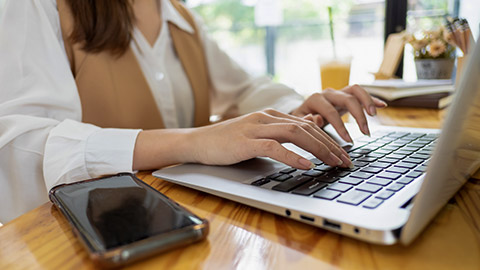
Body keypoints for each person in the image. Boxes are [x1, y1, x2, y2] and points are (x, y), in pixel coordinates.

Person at [0, 0, 386, 223]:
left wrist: (293, 114)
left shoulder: (181, 17)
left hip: (181, 225)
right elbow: (20, 145)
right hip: (93, 236)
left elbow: (245, 88)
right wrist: (191, 142)